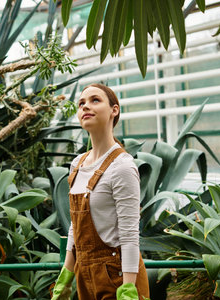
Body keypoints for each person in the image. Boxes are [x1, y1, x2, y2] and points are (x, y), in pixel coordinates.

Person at [51, 84, 149, 300]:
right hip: (84, 274)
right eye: (81, 103)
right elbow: (76, 226)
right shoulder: (77, 164)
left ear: (114, 110)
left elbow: (130, 234)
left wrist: (128, 289)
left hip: (118, 276)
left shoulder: (122, 166)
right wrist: (66, 275)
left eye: (95, 100)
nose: (86, 106)